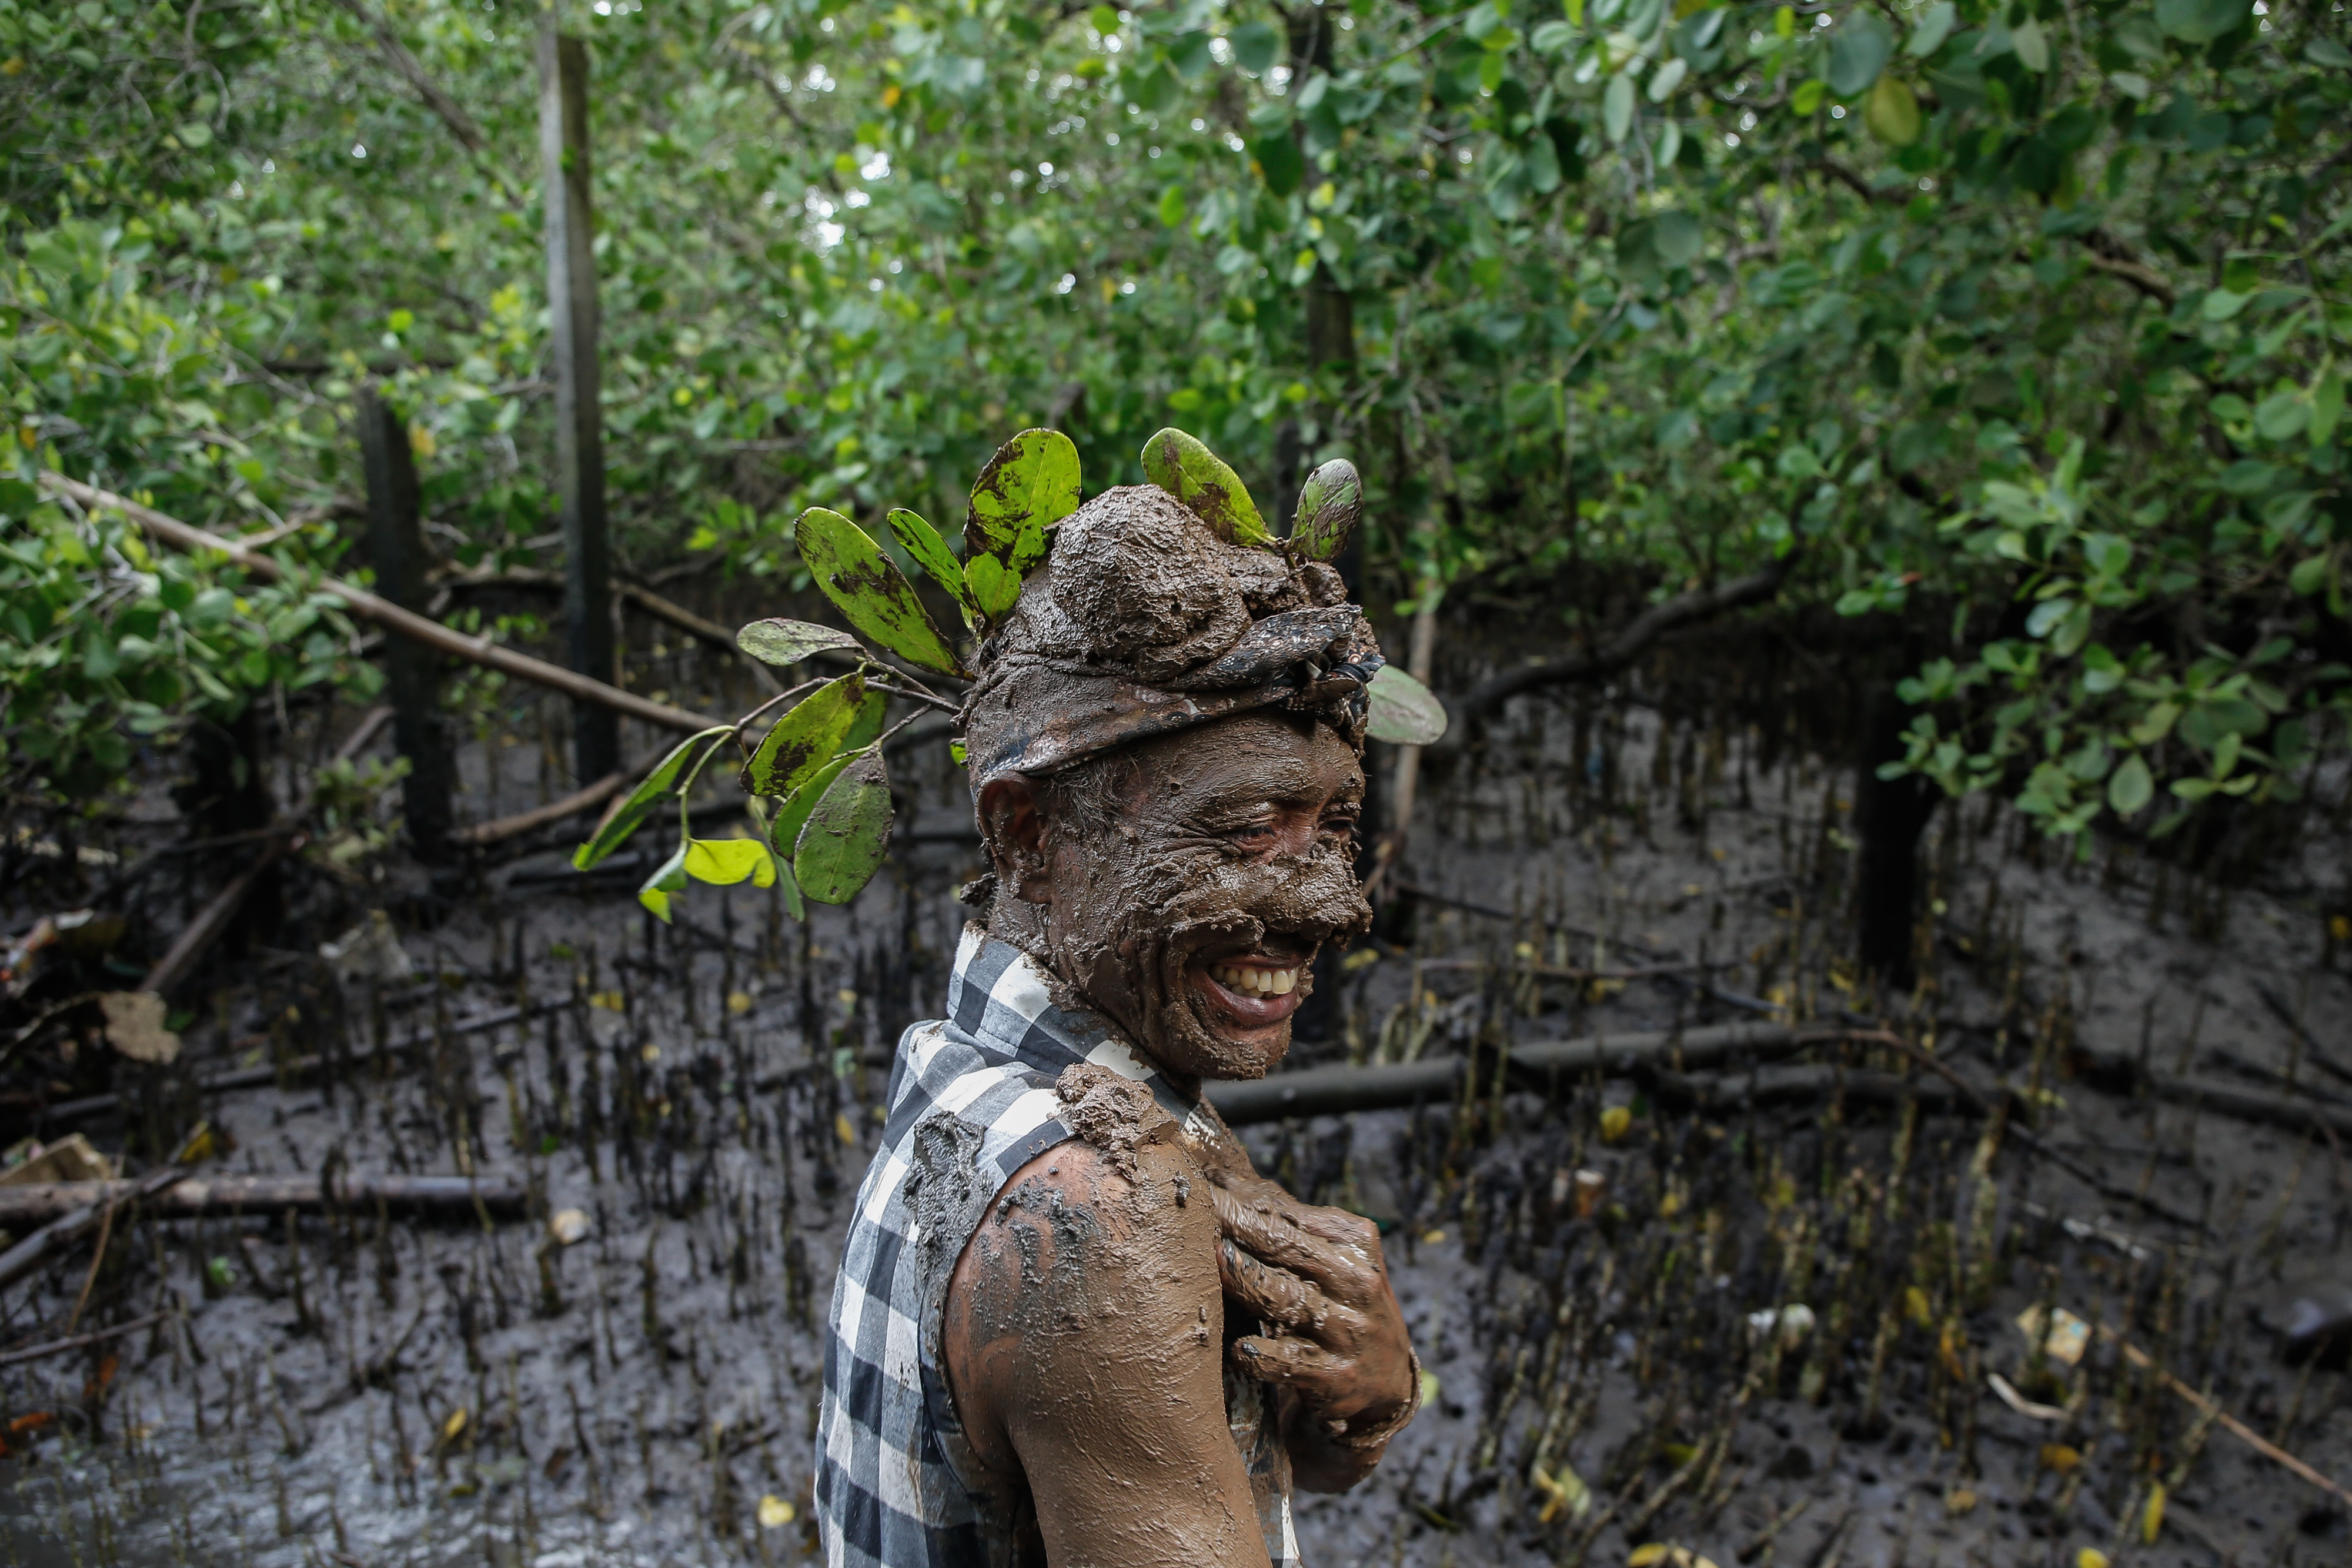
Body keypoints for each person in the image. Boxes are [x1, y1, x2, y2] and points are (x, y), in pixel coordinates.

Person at [816, 479, 1421, 1568]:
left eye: (1334, 830)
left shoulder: (967, 1073)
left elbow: (1221, 1459)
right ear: (1030, 835)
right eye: (1244, 830)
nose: (1331, 903)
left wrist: (1360, 1405)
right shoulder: (1096, 1213)